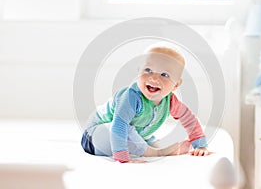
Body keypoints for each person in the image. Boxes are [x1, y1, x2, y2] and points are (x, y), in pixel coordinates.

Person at [81, 42, 209, 163]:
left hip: (128, 135)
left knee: (145, 137)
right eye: (148, 70)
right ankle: (157, 153)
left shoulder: (169, 100)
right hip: (93, 137)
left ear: (176, 85)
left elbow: (189, 119)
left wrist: (200, 145)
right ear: (139, 71)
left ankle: (156, 147)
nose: (153, 78)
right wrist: (122, 158)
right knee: (128, 130)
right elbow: (118, 126)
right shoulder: (131, 97)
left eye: (164, 74)